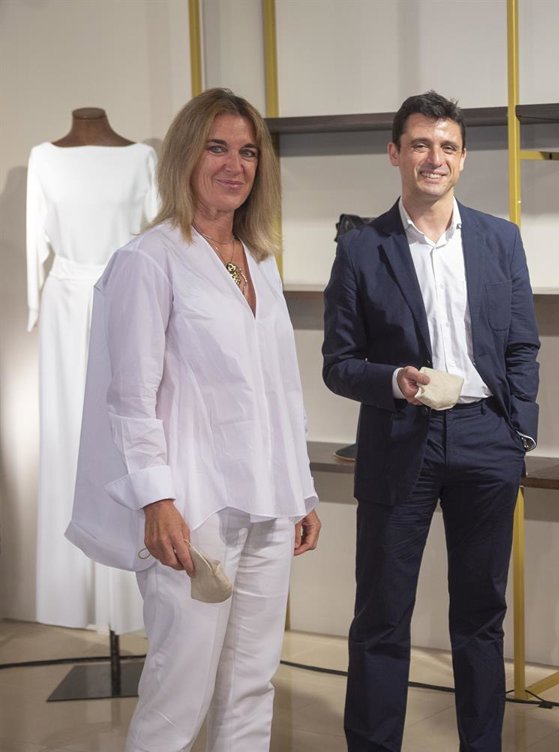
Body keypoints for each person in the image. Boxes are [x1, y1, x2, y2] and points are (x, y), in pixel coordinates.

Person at [67, 87, 321, 752]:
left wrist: (301, 491)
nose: (235, 165)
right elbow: (130, 397)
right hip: (195, 508)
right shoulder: (148, 259)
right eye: (218, 148)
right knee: (179, 692)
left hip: (268, 503)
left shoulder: (258, 260)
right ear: (186, 155)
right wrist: (156, 501)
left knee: (252, 686)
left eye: (248, 152)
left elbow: (281, 388)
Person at [322, 90, 540, 752]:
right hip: (398, 438)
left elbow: (522, 345)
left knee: (481, 617)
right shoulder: (362, 247)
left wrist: (519, 431)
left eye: (447, 146)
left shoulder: (501, 239)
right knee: (382, 617)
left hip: (487, 438)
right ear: (395, 153)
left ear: (464, 158)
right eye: (420, 144)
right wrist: (394, 381)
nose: (434, 157)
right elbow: (338, 363)